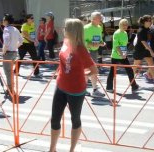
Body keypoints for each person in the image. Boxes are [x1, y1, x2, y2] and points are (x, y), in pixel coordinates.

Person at [49, 18, 98, 152]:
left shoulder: (81, 49)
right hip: (60, 86)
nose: (63, 29)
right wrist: (59, 72)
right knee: (54, 119)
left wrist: (84, 75)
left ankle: (72, 150)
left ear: (72, 31)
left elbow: (94, 70)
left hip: (76, 90)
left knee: (75, 120)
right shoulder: (66, 42)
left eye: (65, 27)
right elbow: (62, 61)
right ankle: (52, 149)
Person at [106, 19, 139, 92]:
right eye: (123, 24)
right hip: (116, 55)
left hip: (123, 55)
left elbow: (124, 44)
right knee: (112, 72)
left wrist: (125, 53)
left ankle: (134, 86)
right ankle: (109, 87)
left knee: (130, 70)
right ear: (120, 25)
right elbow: (116, 45)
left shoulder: (125, 33)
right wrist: (122, 54)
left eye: (126, 25)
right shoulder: (116, 33)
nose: (125, 26)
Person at [84, 11, 106, 97]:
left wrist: (102, 43)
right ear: (93, 19)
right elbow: (82, 41)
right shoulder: (86, 28)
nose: (101, 19)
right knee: (88, 71)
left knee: (92, 71)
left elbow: (99, 39)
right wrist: (90, 44)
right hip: (86, 51)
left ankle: (93, 89)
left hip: (94, 51)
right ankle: (88, 89)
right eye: (99, 17)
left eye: (100, 17)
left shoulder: (99, 27)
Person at [2, 14, 23, 96]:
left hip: (8, 52)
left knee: (8, 72)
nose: (2, 22)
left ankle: (10, 89)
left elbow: (6, 42)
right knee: (10, 72)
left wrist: (4, 51)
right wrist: (15, 46)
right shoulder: (15, 29)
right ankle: (10, 88)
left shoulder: (6, 29)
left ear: (6, 21)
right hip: (14, 52)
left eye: (3, 20)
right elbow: (21, 40)